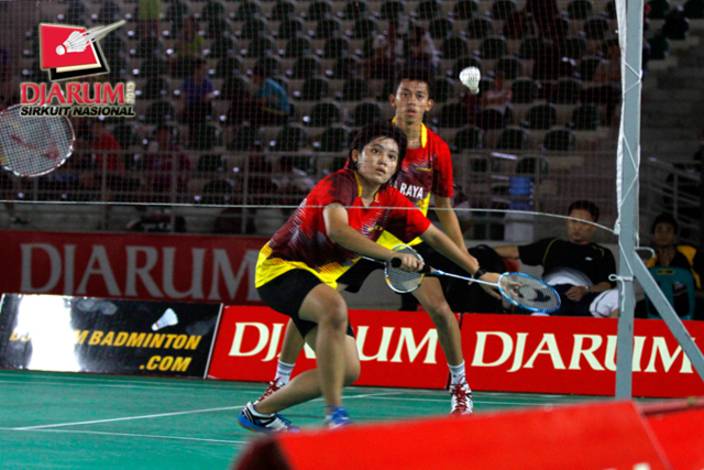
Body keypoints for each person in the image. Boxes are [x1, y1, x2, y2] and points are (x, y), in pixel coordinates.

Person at [255, 66, 493, 417]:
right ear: (393, 100)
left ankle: (460, 386)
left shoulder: (437, 150)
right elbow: (347, 194)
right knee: (316, 295)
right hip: (363, 234)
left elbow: (443, 209)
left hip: (406, 239)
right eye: (405, 94)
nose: (411, 102)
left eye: (419, 96)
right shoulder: (376, 143)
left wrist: (470, 264)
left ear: (429, 104)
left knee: (440, 310)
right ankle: (279, 379)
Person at [495, 200, 617, 316]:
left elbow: (606, 285)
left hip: (584, 298)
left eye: (583, 223)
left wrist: (585, 289)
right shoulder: (552, 245)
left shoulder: (602, 253)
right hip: (550, 294)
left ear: (594, 226)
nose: (577, 227)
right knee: (525, 299)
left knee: (617, 297)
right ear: (567, 222)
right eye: (573, 221)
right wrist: (485, 251)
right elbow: (515, 252)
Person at [641, 213, 703, 318]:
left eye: (668, 230)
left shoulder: (690, 253)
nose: (663, 234)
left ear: (675, 237)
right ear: (653, 236)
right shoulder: (650, 264)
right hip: (662, 310)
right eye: (659, 230)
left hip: (694, 306)